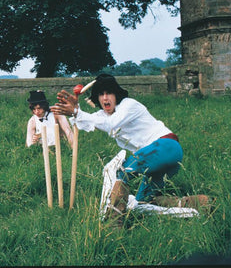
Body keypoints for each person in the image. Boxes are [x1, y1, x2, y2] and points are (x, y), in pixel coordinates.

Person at [51, 73, 210, 226]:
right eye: (101, 94)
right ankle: (197, 205)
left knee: (122, 172)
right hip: (155, 160)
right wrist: (75, 111)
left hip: (166, 146)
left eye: (109, 93)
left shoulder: (128, 105)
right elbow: (87, 123)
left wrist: (76, 112)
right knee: (143, 203)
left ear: (116, 94)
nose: (105, 98)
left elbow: (111, 124)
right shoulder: (103, 115)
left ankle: (113, 224)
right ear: (96, 98)